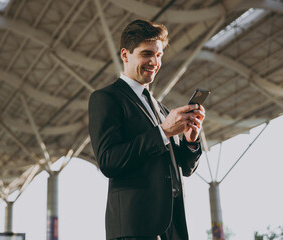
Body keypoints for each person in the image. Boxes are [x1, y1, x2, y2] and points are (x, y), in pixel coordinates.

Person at [88, 19, 205, 240]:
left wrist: (190, 141)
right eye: (146, 54)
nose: (154, 61)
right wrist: (163, 132)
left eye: (159, 55)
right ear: (125, 55)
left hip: (171, 227)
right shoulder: (106, 98)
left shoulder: (160, 108)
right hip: (135, 228)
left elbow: (185, 169)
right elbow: (108, 161)